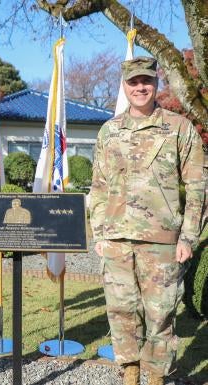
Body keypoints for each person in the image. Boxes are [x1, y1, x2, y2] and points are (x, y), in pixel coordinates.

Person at [90, 56, 206, 385]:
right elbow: (97, 185)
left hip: (162, 242)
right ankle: (129, 371)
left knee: (160, 316)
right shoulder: (109, 131)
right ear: (124, 86)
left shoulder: (178, 127)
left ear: (157, 84)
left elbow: (198, 185)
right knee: (122, 312)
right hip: (116, 239)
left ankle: (155, 377)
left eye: (147, 81)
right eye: (133, 82)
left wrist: (188, 238)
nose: (140, 87)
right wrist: (99, 231)